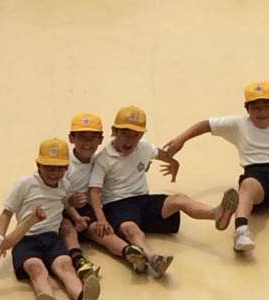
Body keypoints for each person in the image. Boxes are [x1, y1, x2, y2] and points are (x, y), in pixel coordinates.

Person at [89, 106, 239, 276]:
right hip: (117, 205)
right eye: (125, 134)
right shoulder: (103, 159)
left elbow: (159, 153)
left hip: (144, 201)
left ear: (142, 135)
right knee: (131, 230)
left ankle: (216, 214)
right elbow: (94, 191)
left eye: (136, 135)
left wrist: (174, 163)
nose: (130, 140)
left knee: (179, 199)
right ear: (114, 131)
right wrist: (101, 219)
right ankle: (153, 258)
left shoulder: (144, 147)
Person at [0, 137, 100, 300]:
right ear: (38, 165)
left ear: (66, 168)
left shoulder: (64, 184)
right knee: (37, 270)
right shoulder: (25, 184)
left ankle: (82, 299)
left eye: (59, 169)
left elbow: (65, 203)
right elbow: (6, 213)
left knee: (66, 266)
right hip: (25, 239)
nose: (54, 173)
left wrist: (76, 216)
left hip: (52, 238)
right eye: (49, 168)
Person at [164, 81, 269, 252]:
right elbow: (206, 125)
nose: (262, 112)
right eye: (256, 108)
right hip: (257, 176)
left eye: (266, 107)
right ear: (247, 109)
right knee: (247, 186)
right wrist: (180, 139)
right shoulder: (238, 124)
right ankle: (241, 231)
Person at [62, 112, 151, 273]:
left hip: (85, 210)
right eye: (82, 137)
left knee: (101, 230)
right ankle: (79, 261)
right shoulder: (63, 164)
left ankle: (129, 252)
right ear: (71, 138)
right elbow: (52, 193)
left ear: (100, 140)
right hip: (63, 209)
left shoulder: (99, 160)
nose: (87, 143)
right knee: (67, 228)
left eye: (92, 138)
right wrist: (72, 207)